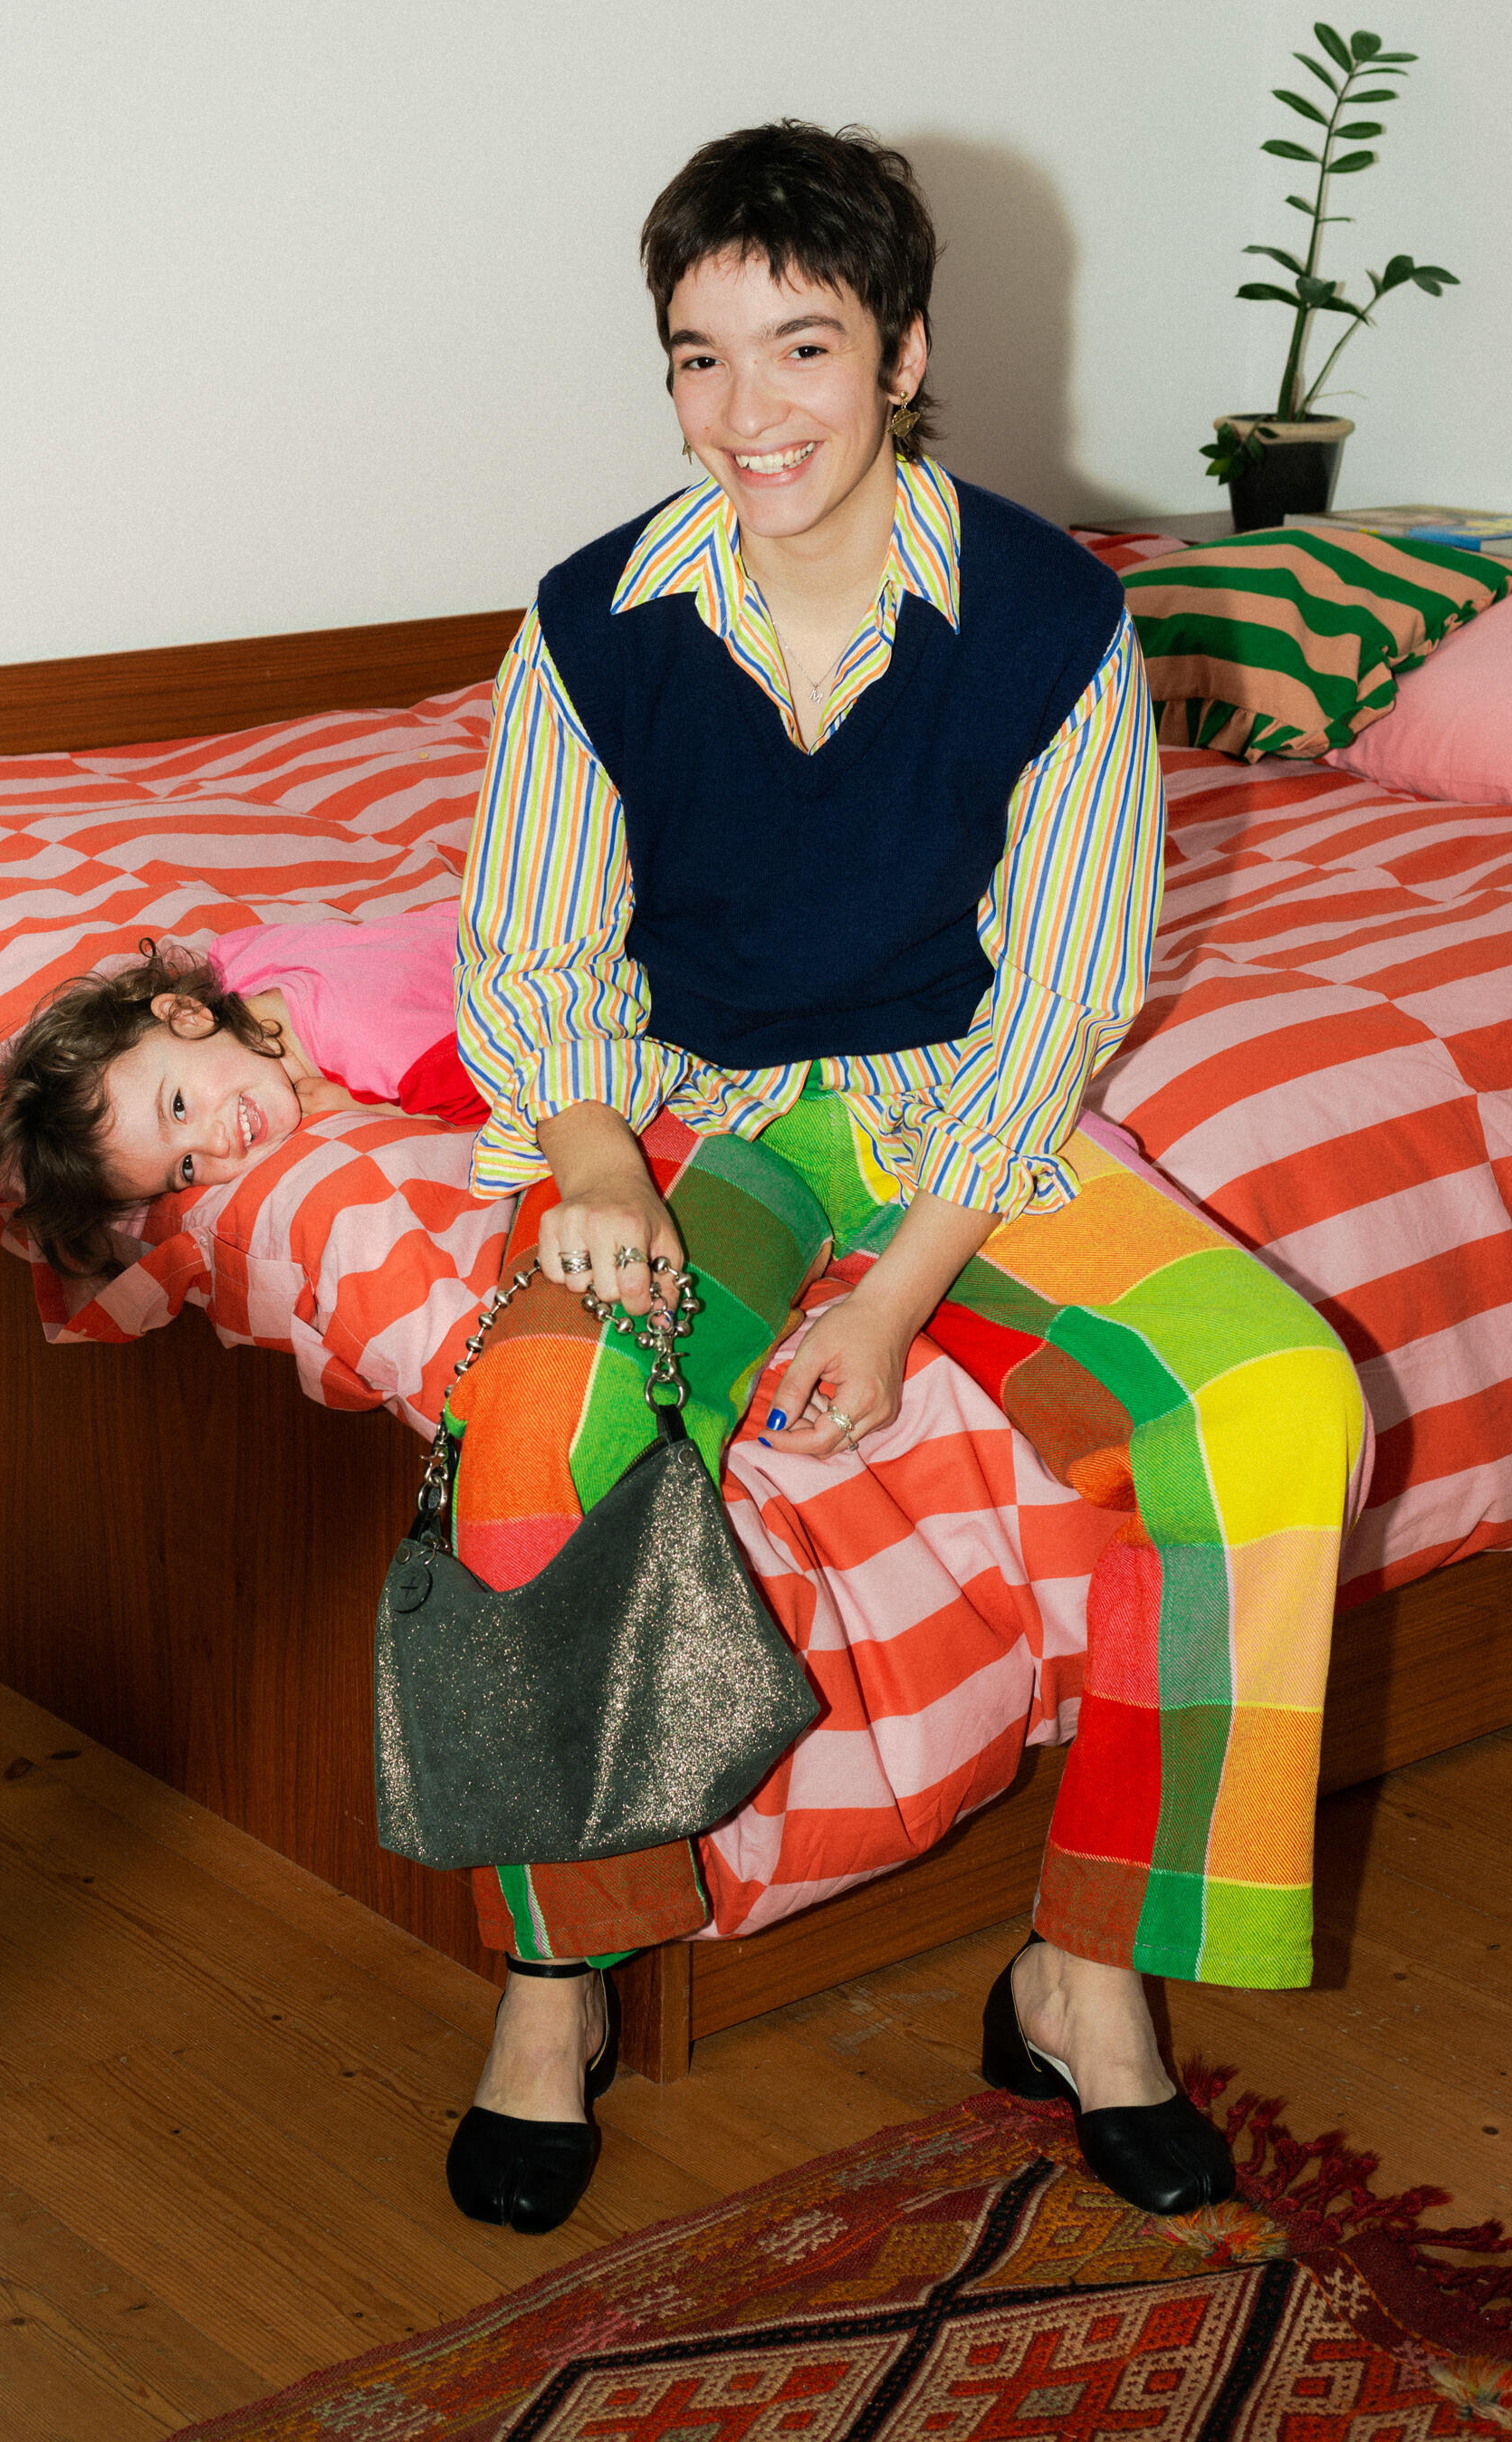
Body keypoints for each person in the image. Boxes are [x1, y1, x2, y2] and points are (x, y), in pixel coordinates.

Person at [445, 120, 1366, 2235]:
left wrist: (889, 1295)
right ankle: (550, 1975)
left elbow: (1056, 989)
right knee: (532, 1428)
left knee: (1262, 1394)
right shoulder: (587, 621)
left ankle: (1083, 1970)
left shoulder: (1048, 615)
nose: (743, 411)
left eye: (797, 347)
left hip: (961, 1113)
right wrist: (588, 1149)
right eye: (696, 357)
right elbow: (530, 948)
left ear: (899, 350)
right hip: (695, 1106)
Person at [0, 903, 484, 1271]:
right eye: (187, 1167)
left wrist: (366, 1107)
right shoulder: (239, 962)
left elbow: (522, 1112)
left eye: (177, 1108)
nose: (218, 1144)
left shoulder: (389, 1055)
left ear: (186, 1014)